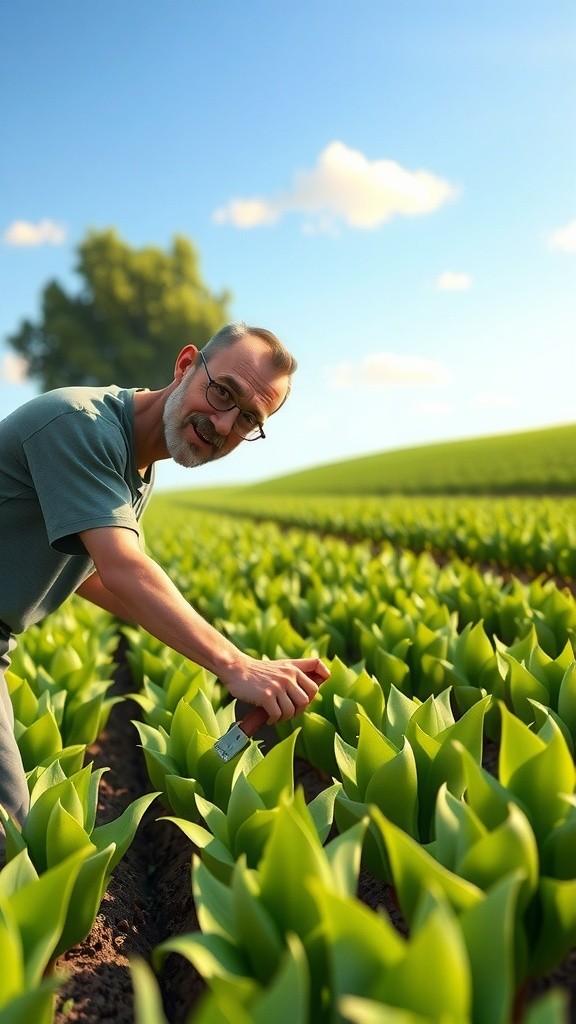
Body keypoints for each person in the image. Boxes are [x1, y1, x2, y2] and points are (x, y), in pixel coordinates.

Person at [0, 321, 329, 827]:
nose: (222, 424)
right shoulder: (80, 426)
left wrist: (236, 658)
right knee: (11, 838)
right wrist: (236, 666)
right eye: (222, 392)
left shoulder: (137, 467)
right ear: (184, 365)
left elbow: (98, 578)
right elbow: (125, 569)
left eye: (247, 419)